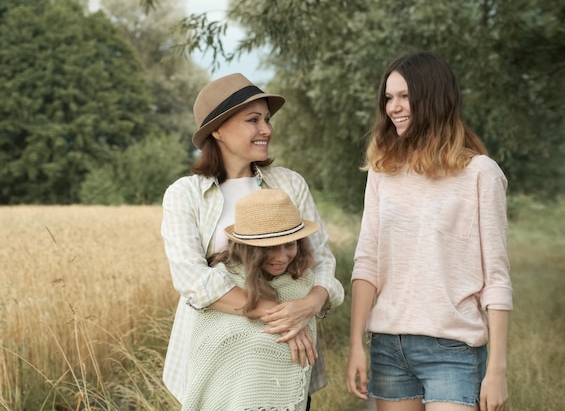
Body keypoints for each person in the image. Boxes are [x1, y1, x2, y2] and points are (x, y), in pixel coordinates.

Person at [161, 73, 345, 409]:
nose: (267, 130)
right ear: (217, 129)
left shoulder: (289, 184)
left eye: (267, 120)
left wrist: (309, 305)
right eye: (253, 120)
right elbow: (191, 279)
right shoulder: (185, 195)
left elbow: (321, 259)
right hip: (219, 362)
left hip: (284, 359)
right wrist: (279, 314)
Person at [345, 52, 513, 411]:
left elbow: (496, 278)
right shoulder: (382, 171)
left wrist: (496, 369)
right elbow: (367, 262)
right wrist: (356, 344)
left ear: (434, 97)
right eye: (389, 98)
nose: (394, 107)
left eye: (405, 96)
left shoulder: (481, 173)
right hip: (389, 346)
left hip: (453, 349)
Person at [182, 188, 320, 411]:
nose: (282, 256)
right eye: (271, 247)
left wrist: (296, 318)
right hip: (229, 401)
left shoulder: (301, 282)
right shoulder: (221, 282)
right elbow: (211, 349)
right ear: (249, 248)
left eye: (290, 244)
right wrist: (285, 322)